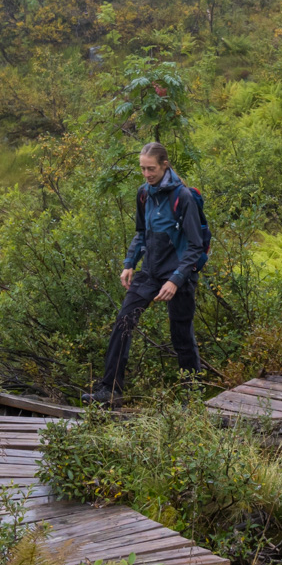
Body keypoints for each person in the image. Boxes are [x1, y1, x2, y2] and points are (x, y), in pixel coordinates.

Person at [83, 142, 206, 404]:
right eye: (142, 169)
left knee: (181, 334)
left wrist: (176, 280)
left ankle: (192, 395)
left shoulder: (183, 197)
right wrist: (129, 263)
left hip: (178, 275)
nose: (147, 174)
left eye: (151, 169)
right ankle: (110, 390)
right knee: (123, 323)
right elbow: (141, 233)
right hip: (149, 272)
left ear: (164, 165)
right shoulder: (143, 194)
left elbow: (195, 246)